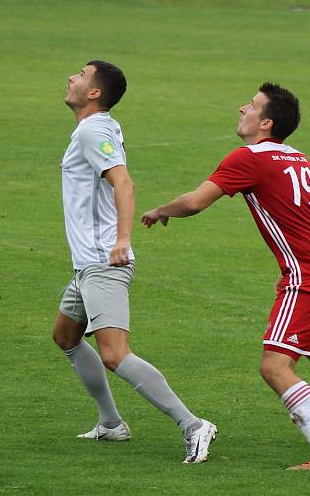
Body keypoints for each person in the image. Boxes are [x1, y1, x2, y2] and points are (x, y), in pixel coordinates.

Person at [141, 83, 310, 472]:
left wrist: (161, 209)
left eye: (250, 106)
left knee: (274, 367)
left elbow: (196, 201)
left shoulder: (248, 157)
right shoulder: (298, 157)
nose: (241, 108)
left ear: (266, 122)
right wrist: (304, 259)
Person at [51, 60, 217, 464]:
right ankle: (111, 424)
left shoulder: (93, 130)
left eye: (81, 75)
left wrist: (122, 240)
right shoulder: (99, 126)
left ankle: (192, 424)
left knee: (114, 353)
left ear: (94, 93)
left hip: (103, 260)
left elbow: (123, 182)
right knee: (66, 337)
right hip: (88, 262)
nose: (72, 76)